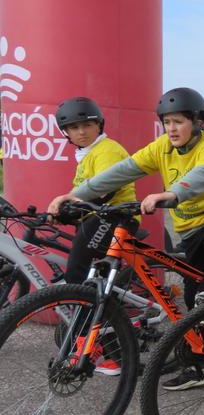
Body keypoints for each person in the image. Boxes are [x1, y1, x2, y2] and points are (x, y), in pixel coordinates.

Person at [49, 87, 204, 390]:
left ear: (196, 122)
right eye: (167, 123)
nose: (172, 129)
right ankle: (197, 367)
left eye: (179, 122)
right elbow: (123, 171)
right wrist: (72, 196)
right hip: (191, 230)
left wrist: (173, 192)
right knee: (191, 296)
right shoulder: (161, 147)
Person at [46, 96, 138, 377]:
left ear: (99, 124)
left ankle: (97, 347)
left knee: (79, 280)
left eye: (87, 125)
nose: (82, 131)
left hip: (115, 219)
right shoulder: (87, 153)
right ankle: (97, 340)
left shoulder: (107, 150)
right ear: (67, 133)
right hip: (98, 218)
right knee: (87, 283)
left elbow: (103, 191)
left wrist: (65, 204)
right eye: (73, 128)